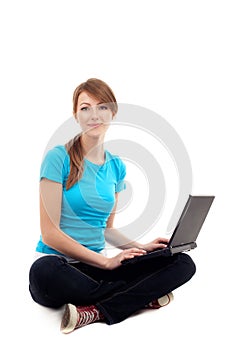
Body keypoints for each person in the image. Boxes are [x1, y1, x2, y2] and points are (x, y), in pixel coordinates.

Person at [29, 78, 196, 334]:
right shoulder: (57, 158)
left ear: (113, 112)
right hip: (60, 267)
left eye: (102, 107)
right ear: (76, 115)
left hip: (96, 271)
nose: (94, 114)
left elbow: (107, 230)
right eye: (85, 108)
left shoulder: (116, 166)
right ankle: (140, 296)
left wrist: (141, 247)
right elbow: (50, 233)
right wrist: (106, 263)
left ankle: (95, 311)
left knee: (183, 263)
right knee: (43, 272)